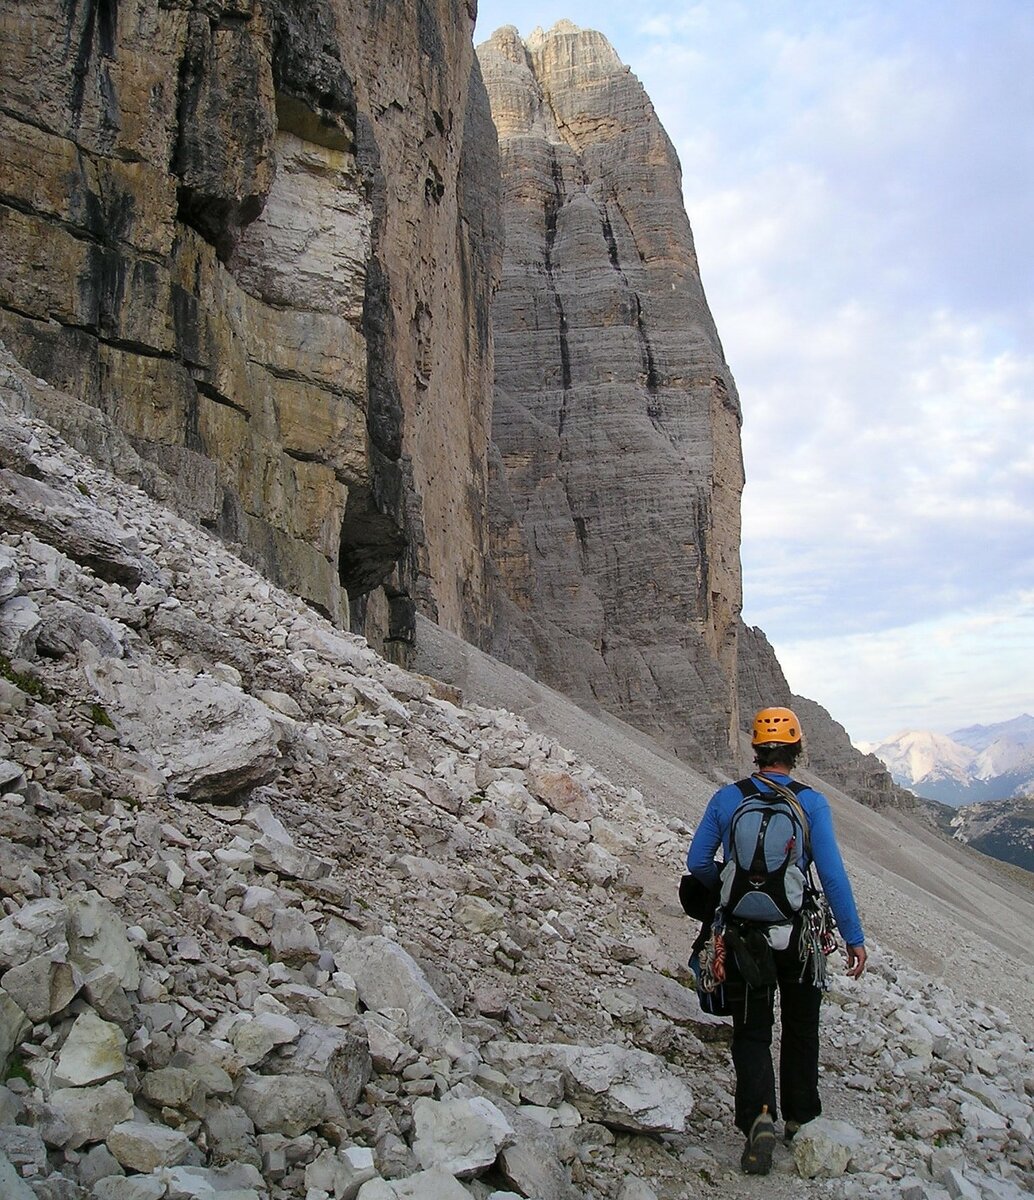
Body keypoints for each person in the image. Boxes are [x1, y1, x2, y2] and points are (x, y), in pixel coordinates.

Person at [686, 706, 867, 1176]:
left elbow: (699, 861)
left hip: (744, 934)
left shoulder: (728, 799)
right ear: (796, 750)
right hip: (799, 935)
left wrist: (731, 890)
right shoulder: (811, 803)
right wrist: (853, 935)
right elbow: (831, 873)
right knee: (802, 1026)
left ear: (756, 750)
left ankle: (759, 1118)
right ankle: (802, 1117)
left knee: (752, 1030)